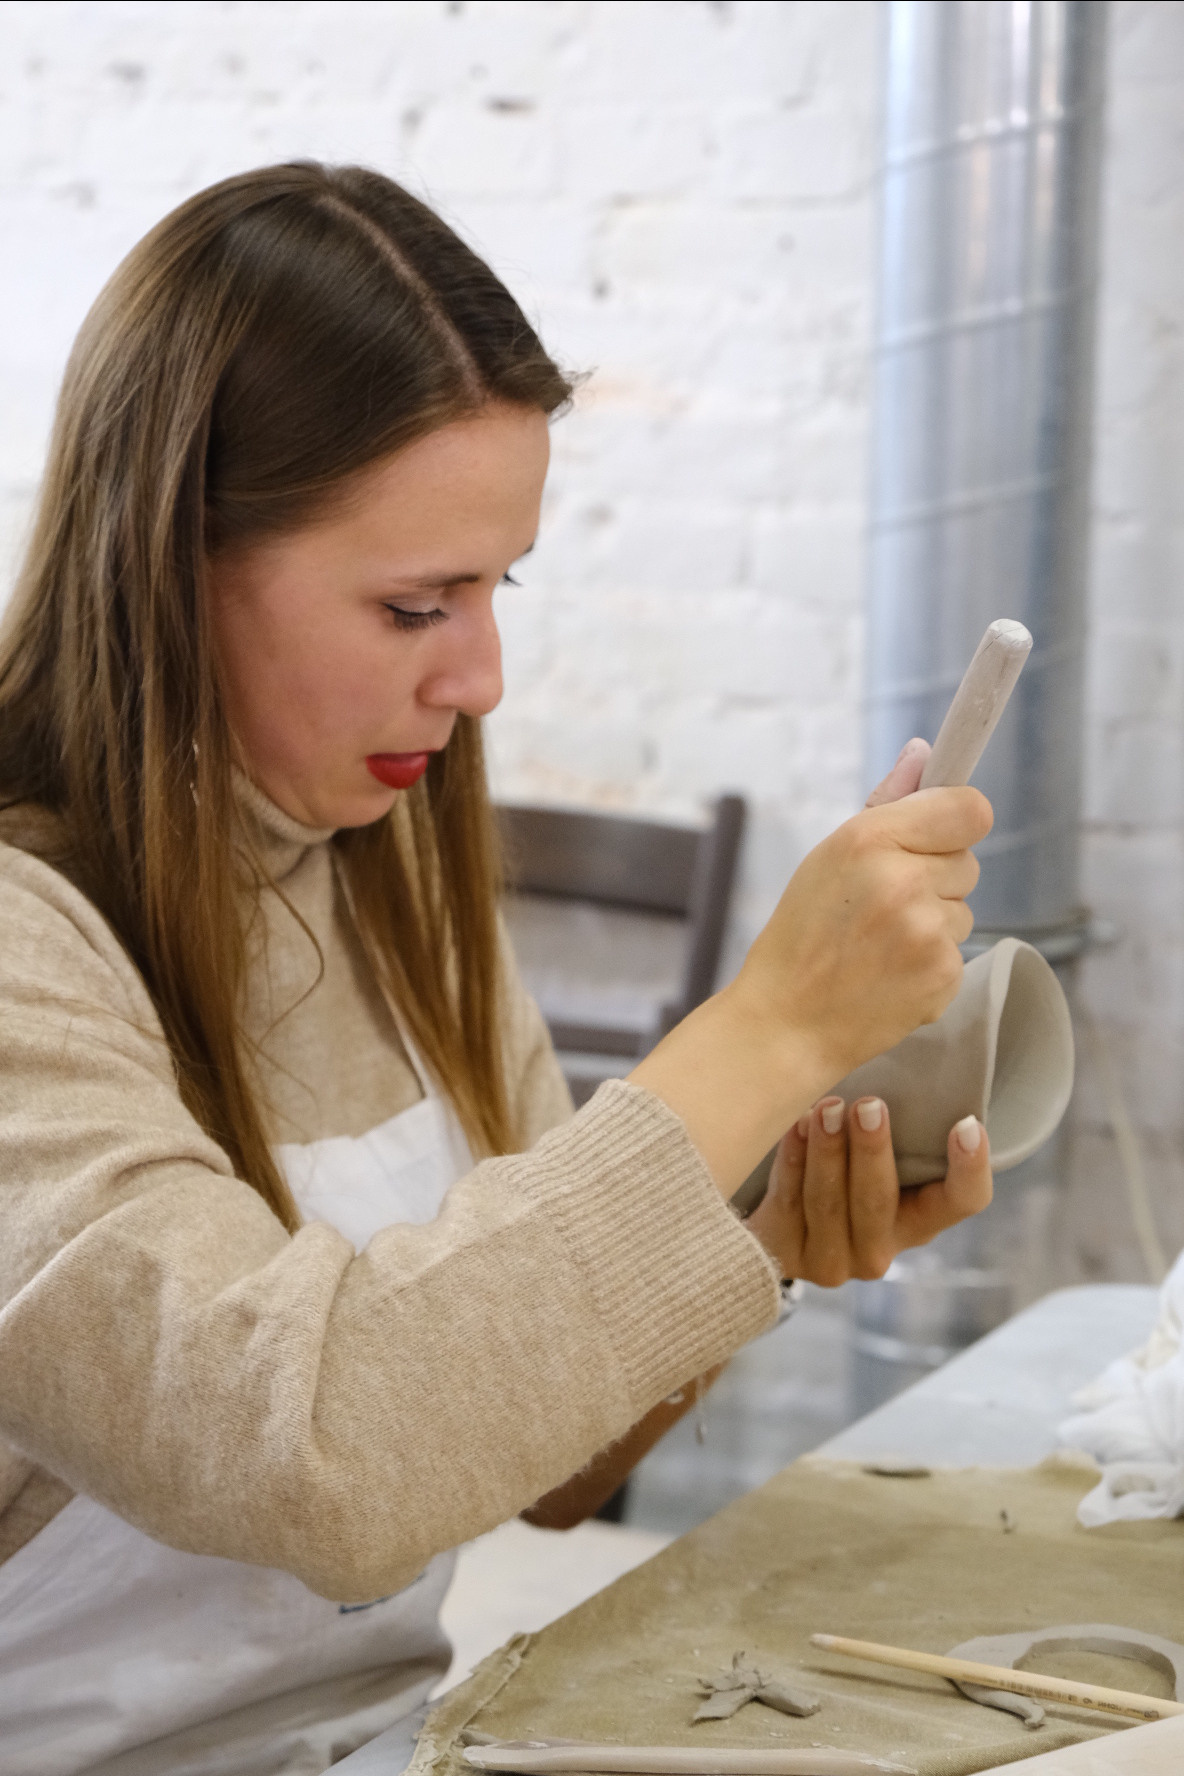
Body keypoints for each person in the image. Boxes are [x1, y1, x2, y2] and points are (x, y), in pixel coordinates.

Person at [0, 163, 993, 1775]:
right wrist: (767, 1027)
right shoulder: (24, 945)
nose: (482, 675)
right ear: (168, 560)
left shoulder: (383, 879)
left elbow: (537, 1469)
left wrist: (756, 1241)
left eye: (495, 586)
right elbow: (316, 1456)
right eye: (415, 605)